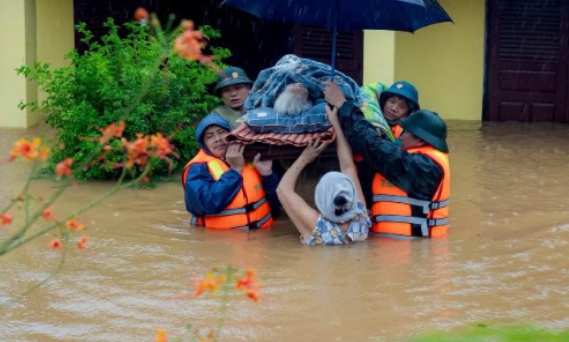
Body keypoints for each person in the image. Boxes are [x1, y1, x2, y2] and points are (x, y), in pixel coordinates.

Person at [325, 81, 450, 239]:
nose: (401, 136)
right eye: (391, 101)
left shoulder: (425, 167)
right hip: (390, 247)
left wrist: (343, 105)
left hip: (412, 251)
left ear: (419, 140)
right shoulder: (417, 157)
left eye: (405, 133)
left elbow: (374, 147)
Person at [276, 106, 371, 245]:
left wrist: (305, 158)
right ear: (351, 194)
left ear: (320, 200)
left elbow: (282, 189)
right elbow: (347, 166)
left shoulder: (316, 227)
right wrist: (337, 125)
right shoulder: (361, 217)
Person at [182, 113, 280, 230]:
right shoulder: (197, 168)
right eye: (210, 136)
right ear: (204, 144)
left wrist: (267, 174)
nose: (218, 139)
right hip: (223, 243)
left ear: (231, 135)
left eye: (221, 132)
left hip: (264, 236)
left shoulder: (250, 157)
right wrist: (235, 170)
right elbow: (204, 204)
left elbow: (277, 205)